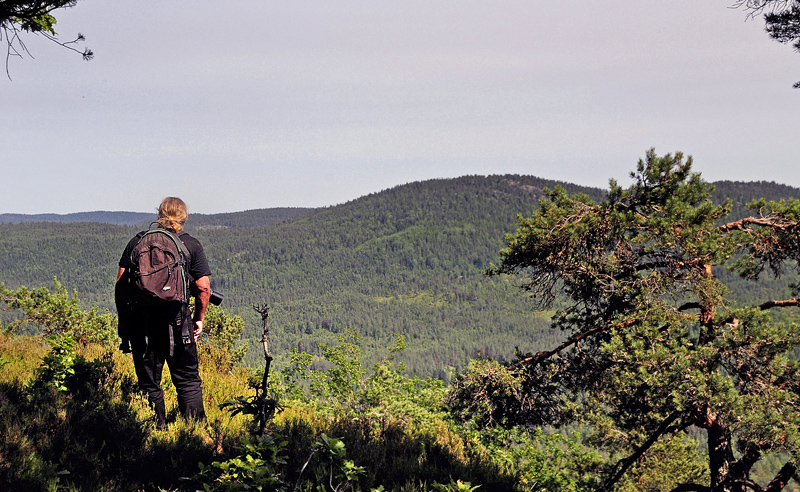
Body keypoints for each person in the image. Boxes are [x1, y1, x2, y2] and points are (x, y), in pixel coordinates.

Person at [116, 197, 211, 428]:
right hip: (178, 321)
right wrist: (198, 318)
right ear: (184, 218)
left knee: (149, 384)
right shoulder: (191, 245)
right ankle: (194, 432)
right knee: (187, 380)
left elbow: (121, 284)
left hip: (142, 323)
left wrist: (125, 323)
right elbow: (203, 287)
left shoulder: (138, 241)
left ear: (159, 214)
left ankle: (154, 430)